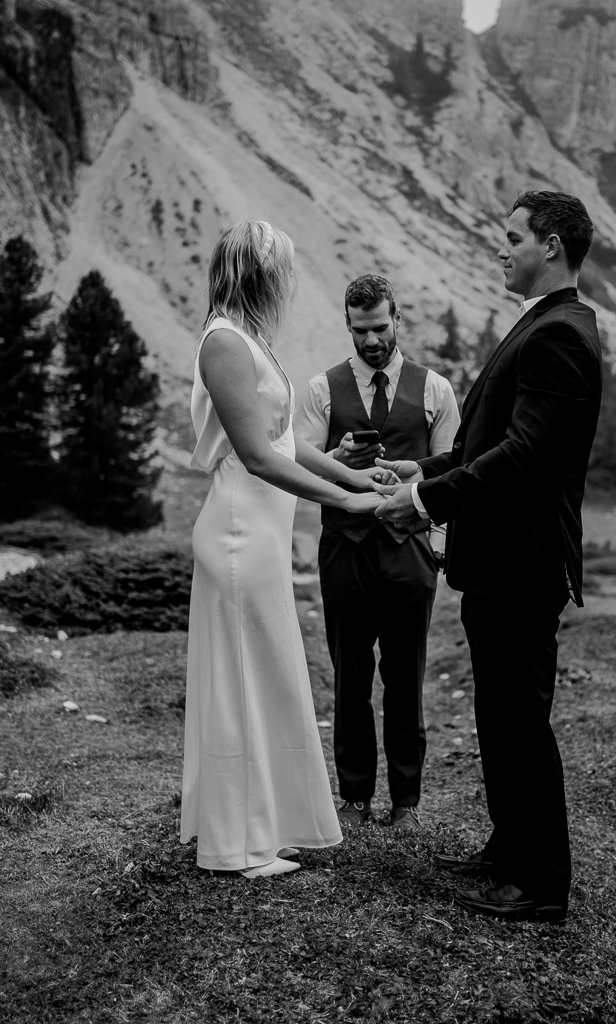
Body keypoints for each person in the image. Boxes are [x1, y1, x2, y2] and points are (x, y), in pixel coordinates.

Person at [376, 191, 602, 921]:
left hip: (525, 561)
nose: (500, 249)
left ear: (554, 246)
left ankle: (542, 886)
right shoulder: (543, 322)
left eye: (512, 238)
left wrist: (423, 505)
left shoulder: (563, 333)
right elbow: (488, 442)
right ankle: (509, 850)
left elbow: (530, 455)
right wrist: (427, 472)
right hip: (500, 558)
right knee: (499, 715)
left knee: (521, 719)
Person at [180, 221, 394, 879]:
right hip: (240, 532)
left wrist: (349, 474)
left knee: (266, 677)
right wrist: (345, 503)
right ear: (258, 274)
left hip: (264, 534)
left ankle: (262, 828)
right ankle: (238, 847)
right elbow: (254, 456)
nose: (292, 281)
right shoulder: (223, 343)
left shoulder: (251, 340)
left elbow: (282, 440)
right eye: (285, 269)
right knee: (245, 679)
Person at [296, 275, 460, 830]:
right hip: (344, 548)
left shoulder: (435, 389)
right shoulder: (321, 389)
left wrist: (438, 550)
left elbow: (451, 474)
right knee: (349, 675)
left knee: (406, 675)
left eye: (381, 327)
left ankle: (407, 802)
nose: (372, 340)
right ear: (348, 324)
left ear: (397, 320)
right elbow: (300, 462)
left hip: (410, 551)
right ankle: (355, 795)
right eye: (361, 330)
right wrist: (336, 452)